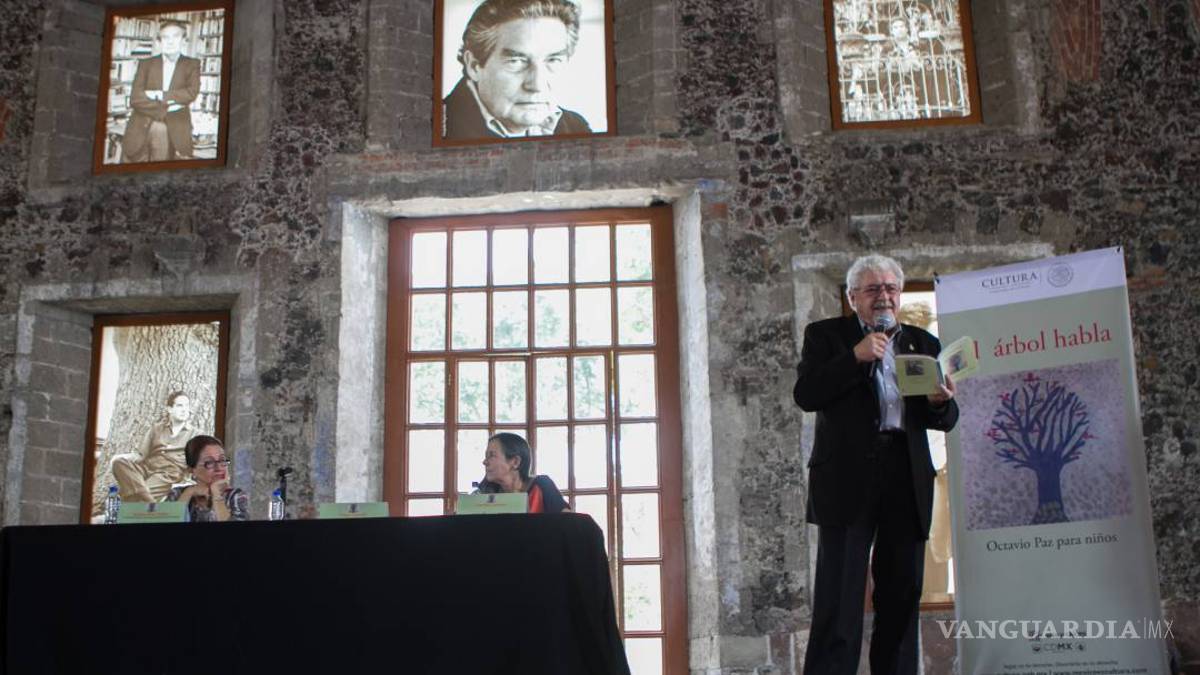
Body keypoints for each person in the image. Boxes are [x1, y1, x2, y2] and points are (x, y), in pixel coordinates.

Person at [794, 254, 958, 675]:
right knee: (840, 597)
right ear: (853, 298)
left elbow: (945, 420)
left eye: (890, 288)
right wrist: (855, 357)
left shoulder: (923, 343)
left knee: (902, 594)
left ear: (899, 295)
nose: (883, 297)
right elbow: (807, 394)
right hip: (846, 480)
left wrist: (940, 402)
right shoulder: (826, 336)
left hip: (906, 475)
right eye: (872, 289)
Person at [442, 0, 592, 140]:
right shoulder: (440, 129)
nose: (537, 86)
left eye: (553, 60)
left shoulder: (576, 126)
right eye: (515, 61)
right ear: (474, 66)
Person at [121, 20, 201, 162]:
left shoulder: (192, 64)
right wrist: (166, 107)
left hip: (173, 130)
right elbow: (135, 98)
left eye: (175, 36)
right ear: (159, 42)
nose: (170, 41)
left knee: (163, 173)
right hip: (139, 129)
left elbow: (191, 93)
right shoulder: (145, 64)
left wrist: (159, 94)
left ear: (184, 40)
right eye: (165, 37)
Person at [110, 390, 198, 502]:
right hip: (146, 468)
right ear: (169, 409)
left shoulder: (195, 434)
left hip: (168, 473)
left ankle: (142, 498)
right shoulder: (156, 428)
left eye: (187, 405)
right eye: (180, 405)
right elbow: (140, 456)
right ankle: (147, 499)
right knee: (118, 462)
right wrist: (119, 459)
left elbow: (196, 462)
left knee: (133, 496)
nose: (184, 409)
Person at [475, 432, 570, 513]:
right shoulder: (486, 489)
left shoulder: (542, 485)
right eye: (486, 456)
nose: (485, 462)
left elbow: (568, 521)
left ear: (515, 462)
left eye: (491, 455)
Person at [166, 435, 249, 522]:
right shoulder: (177, 494)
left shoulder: (235, 496)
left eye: (222, 460)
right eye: (209, 462)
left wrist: (216, 495)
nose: (219, 468)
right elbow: (167, 524)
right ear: (192, 469)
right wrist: (189, 492)